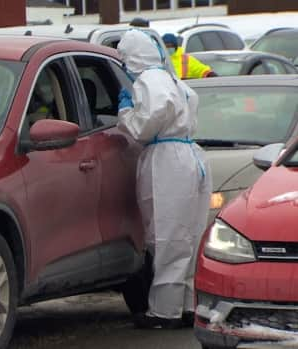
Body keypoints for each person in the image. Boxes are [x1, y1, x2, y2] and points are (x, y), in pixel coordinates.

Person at [116, 30, 212, 329]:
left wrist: (126, 113)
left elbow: (146, 124)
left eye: (123, 55)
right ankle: (186, 306)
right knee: (189, 236)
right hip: (189, 156)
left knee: (166, 236)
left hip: (167, 160)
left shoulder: (150, 80)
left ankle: (163, 312)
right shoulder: (171, 78)